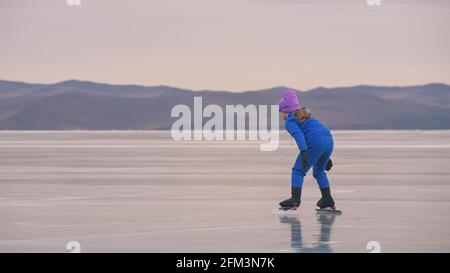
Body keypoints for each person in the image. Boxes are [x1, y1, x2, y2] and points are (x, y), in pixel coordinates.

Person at [278, 90, 337, 211]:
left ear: (285, 110)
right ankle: (327, 198)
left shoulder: (290, 120)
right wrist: (325, 156)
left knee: (298, 171)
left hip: (315, 143)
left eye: (280, 111)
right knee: (319, 172)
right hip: (328, 141)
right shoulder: (305, 115)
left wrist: (304, 150)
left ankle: (295, 199)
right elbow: (319, 132)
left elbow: (298, 134)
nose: (280, 115)